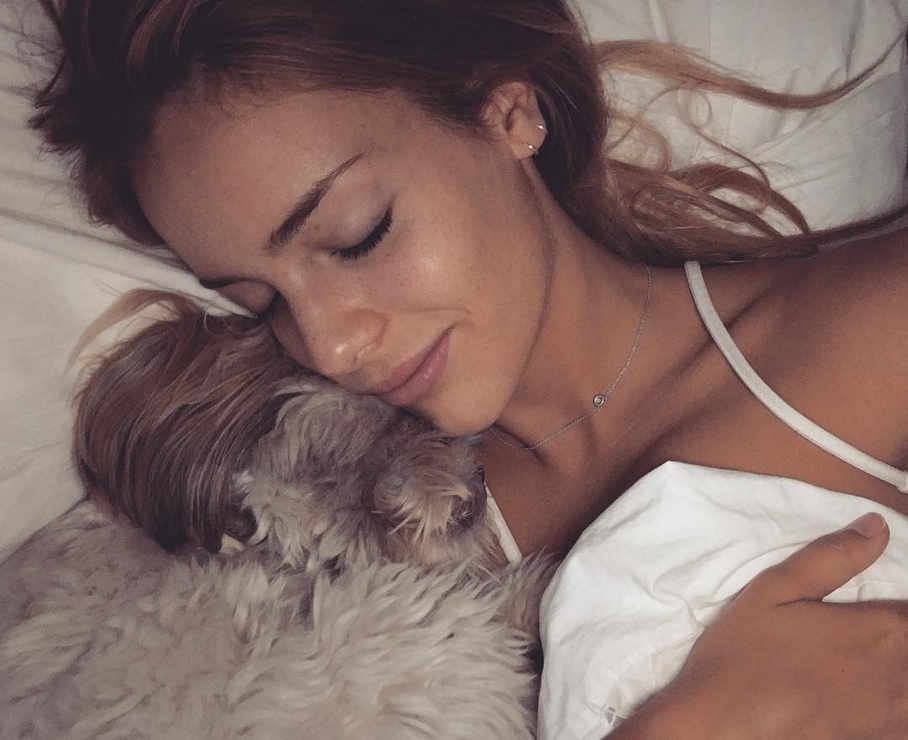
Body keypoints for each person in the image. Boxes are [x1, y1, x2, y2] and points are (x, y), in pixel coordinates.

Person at [31, 0, 908, 736]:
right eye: (263, 302)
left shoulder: (869, 333)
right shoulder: (378, 566)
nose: (331, 346)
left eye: (358, 236)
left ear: (508, 112)